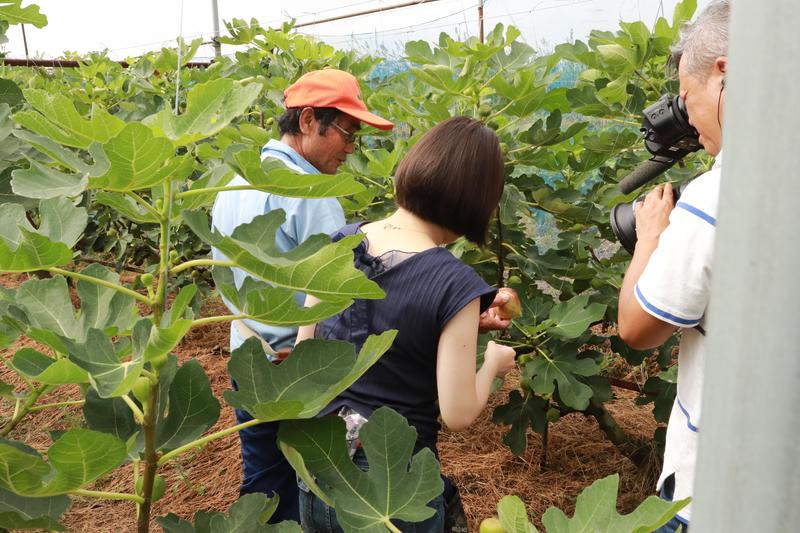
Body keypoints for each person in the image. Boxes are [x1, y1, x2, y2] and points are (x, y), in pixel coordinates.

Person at [294, 116, 518, 532]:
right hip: (395, 482)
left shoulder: (341, 241)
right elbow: (458, 413)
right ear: (476, 201)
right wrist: (493, 363)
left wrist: (459, 330)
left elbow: (307, 354)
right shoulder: (455, 283)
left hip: (320, 471)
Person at [210, 68, 394, 523]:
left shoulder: (234, 181)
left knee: (263, 483)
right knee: (315, 484)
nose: (351, 148)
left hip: (248, 356)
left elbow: (225, 274)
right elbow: (334, 296)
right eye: (347, 133)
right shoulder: (312, 194)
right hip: (299, 366)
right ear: (309, 120)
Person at [617, 2, 729, 531]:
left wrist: (651, 238)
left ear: (724, 75)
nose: (686, 115)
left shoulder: (715, 198)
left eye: (687, 99)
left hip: (713, 492)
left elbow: (638, 330)